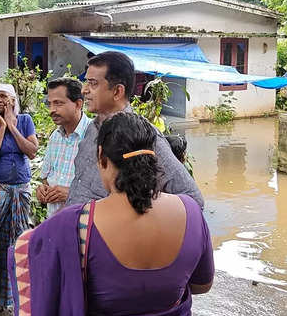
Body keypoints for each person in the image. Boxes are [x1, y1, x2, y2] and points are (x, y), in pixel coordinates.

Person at [9, 112, 214, 316]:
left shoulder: (77, 224)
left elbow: (28, 251)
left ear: (102, 158)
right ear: (153, 156)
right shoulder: (191, 211)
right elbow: (202, 285)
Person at [66, 51, 204, 209]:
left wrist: (134, 221)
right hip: (73, 228)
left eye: (93, 83)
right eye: (86, 82)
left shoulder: (142, 136)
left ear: (117, 91)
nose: (84, 90)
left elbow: (193, 199)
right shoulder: (92, 128)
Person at [0, 83, 39, 312]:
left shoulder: (25, 121)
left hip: (20, 188)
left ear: (13, 100)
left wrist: (13, 128)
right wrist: (2, 127)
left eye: (3, 96)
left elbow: (32, 151)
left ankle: (17, 297)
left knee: (19, 241)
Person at [37, 77, 91, 218]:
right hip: (54, 220)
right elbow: (46, 177)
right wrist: (42, 190)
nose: (52, 110)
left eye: (58, 103)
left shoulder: (95, 135)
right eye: (50, 104)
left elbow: (107, 191)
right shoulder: (55, 136)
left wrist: (71, 193)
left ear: (78, 104)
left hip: (82, 223)